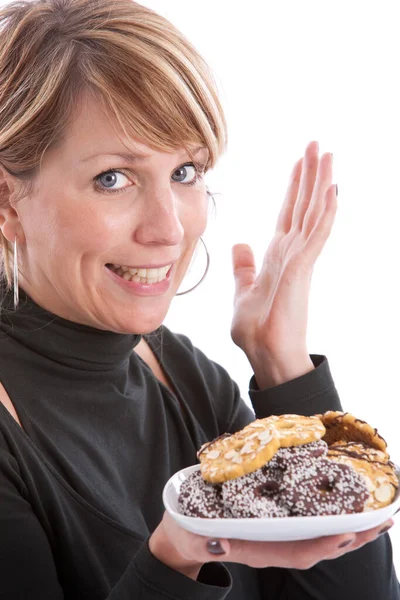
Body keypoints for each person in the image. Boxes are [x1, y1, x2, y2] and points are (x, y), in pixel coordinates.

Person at [0, 0, 398, 598]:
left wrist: (283, 367)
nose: (168, 229)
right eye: (114, 177)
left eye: (185, 171)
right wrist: (176, 559)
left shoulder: (185, 376)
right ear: (7, 203)